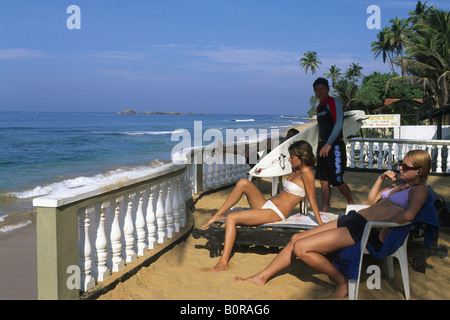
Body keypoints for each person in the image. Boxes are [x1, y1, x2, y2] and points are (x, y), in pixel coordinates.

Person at [236, 150, 432, 298]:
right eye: (401, 164)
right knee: (296, 238)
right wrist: (380, 179)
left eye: (405, 167)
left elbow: (409, 215)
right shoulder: (400, 186)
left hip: (364, 228)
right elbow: (371, 201)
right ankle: (261, 277)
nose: (400, 168)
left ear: (419, 171)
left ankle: (341, 282)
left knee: (302, 248)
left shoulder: (419, 190)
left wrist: (387, 226)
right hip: (355, 218)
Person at [202, 140, 322, 272]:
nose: (289, 159)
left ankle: (223, 262)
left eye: (292, 156)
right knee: (243, 182)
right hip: (267, 204)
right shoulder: (296, 170)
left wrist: (319, 221)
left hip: (276, 213)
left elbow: (312, 198)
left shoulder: (307, 172)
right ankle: (219, 213)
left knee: (231, 218)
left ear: (302, 156)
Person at [313, 77, 355, 212]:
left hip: (335, 146)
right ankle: (325, 209)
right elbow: (321, 128)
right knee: (324, 180)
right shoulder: (319, 107)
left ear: (328, 89)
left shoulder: (334, 103)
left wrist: (329, 143)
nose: (319, 92)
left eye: (322, 89)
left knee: (336, 180)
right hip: (322, 147)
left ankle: (352, 202)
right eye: (317, 89)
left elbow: (338, 124)